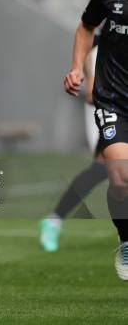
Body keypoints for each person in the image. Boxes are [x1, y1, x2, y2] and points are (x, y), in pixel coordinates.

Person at [64, 0, 128, 280]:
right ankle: (126, 239)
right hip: (114, 99)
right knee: (119, 177)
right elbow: (86, 27)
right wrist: (77, 68)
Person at [41, 40, 107, 252]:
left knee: (102, 170)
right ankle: (54, 220)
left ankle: (54, 219)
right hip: (106, 102)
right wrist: (90, 80)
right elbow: (90, 39)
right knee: (103, 168)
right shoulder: (112, 17)